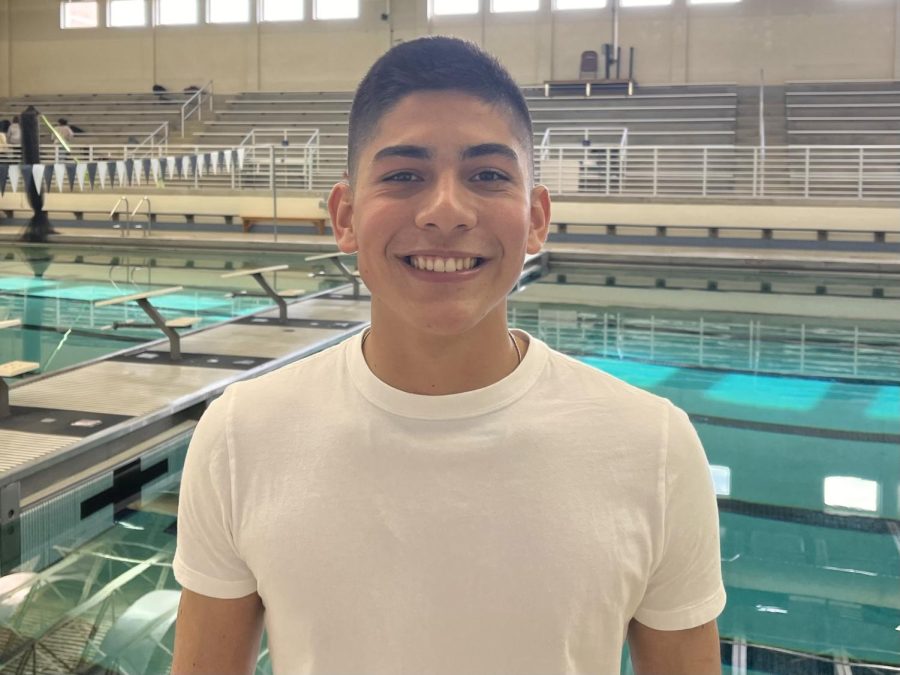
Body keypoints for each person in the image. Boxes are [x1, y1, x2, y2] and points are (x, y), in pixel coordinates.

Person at [172, 36, 725, 675]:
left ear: (536, 217)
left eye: (487, 175)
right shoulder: (244, 433)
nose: (445, 211)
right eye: (404, 175)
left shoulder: (652, 446)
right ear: (345, 216)